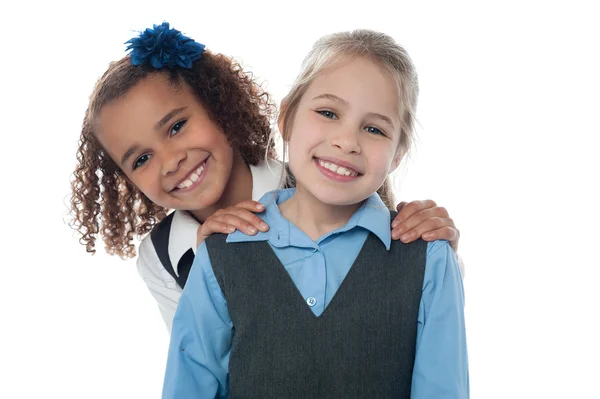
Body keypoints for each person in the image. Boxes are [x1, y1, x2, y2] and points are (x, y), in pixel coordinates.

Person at [69, 22, 462, 333]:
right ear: (125, 180)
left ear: (219, 105)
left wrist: (437, 248)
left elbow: (401, 300)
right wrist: (214, 271)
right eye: (141, 159)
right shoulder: (160, 259)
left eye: (176, 127)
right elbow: (201, 362)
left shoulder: (320, 180)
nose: (171, 161)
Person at [163, 29, 468, 398]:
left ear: (397, 155)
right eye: (328, 112)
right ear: (287, 117)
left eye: (374, 128)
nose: (347, 141)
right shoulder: (223, 254)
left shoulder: (429, 258)